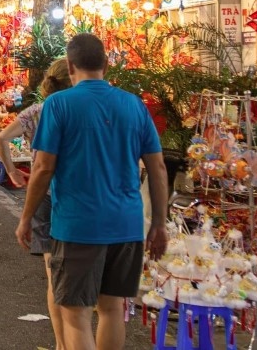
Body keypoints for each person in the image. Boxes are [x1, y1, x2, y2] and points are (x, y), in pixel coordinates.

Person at [16, 34, 167, 350]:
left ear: (70, 65)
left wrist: (27, 216)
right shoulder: (133, 105)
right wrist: (159, 225)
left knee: (76, 315)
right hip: (126, 226)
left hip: (77, 226)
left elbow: (43, 167)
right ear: (106, 64)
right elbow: (158, 168)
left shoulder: (59, 104)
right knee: (112, 310)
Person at [0, 59, 72, 350]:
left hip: (42, 196)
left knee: (53, 275)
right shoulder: (75, 111)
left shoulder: (36, 112)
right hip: (73, 196)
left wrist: (13, 171)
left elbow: (2, 139)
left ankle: (61, 344)